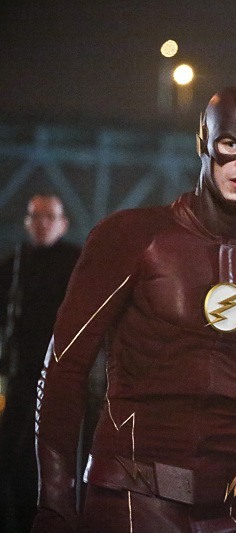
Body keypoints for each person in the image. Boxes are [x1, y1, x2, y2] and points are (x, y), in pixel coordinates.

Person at [33, 84, 236, 532]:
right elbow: (64, 369)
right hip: (131, 502)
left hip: (227, 510)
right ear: (205, 141)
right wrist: (53, 505)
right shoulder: (132, 238)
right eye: (232, 144)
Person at [0, 194, 81, 532]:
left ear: (63, 223)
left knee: (53, 457)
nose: (43, 223)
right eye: (36, 216)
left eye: (50, 216)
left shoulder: (77, 263)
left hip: (62, 377)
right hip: (21, 377)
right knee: (12, 455)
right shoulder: (16, 264)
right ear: (27, 222)